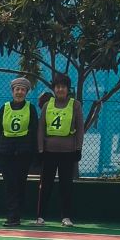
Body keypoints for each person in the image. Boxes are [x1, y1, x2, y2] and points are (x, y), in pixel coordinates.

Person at [0, 77, 38, 229]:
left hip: (23, 153)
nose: (19, 92)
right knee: (10, 184)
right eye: (17, 89)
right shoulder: (4, 108)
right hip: (5, 152)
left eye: (23, 90)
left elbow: (35, 131)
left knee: (20, 184)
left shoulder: (31, 108)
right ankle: (12, 216)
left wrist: (36, 153)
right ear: (12, 91)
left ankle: (17, 214)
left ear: (26, 92)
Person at [37, 74, 82, 228]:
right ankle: (40, 216)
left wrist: (78, 148)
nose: (60, 89)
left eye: (63, 87)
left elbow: (80, 129)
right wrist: (41, 149)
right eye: (57, 87)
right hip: (49, 151)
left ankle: (66, 217)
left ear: (68, 89)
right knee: (46, 185)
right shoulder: (46, 105)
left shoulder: (75, 105)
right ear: (54, 89)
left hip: (68, 153)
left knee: (66, 185)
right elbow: (41, 128)